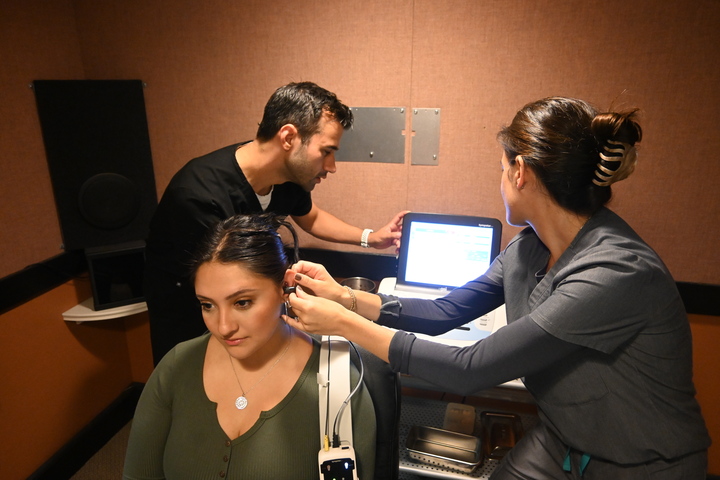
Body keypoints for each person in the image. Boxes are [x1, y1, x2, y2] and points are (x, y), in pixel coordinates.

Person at [284, 97, 711, 479]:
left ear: (520, 171)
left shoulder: (614, 272)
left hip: (646, 462)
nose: (501, 177)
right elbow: (447, 311)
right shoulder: (528, 246)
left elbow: (470, 368)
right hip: (563, 440)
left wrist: (343, 323)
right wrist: (348, 298)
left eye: (502, 167)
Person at [144, 81, 408, 364]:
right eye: (326, 151)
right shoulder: (198, 196)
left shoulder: (287, 177)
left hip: (249, 309)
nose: (331, 166)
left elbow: (312, 218)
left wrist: (371, 238)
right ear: (288, 137)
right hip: (192, 317)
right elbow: (226, 281)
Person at [124, 214, 376, 479]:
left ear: (285, 286)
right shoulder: (177, 367)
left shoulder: (339, 386)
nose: (223, 327)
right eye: (207, 305)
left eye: (242, 302)